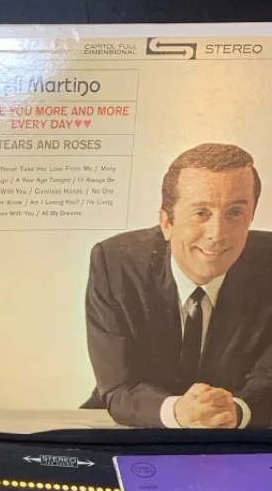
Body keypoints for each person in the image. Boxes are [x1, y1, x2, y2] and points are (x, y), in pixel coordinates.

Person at [85, 143, 272, 428]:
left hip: (237, 429)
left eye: (235, 212)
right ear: (166, 223)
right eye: (201, 213)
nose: (217, 234)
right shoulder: (115, 263)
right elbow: (120, 385)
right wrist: (177, 412)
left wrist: (236, 410)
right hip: (135, 424)